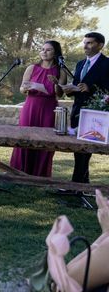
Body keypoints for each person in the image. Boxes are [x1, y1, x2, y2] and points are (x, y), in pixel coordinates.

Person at [10, 40, 67, 176]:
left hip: (49, 108)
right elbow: (22, 89)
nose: (44, 52)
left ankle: (40, 174)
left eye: (48, 50)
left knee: (46, 140)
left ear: (55, 53)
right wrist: (26, 88)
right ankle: (18, 172)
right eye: (42, 49)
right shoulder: (32, 68)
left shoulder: (61, 71)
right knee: (24, 137)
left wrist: (56, 84)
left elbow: (60, 94)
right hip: (31, 106)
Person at [63, 32, 109, 183]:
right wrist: (69, 90)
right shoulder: (80, 64)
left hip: (95, 113)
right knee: (78, 150)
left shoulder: (107, 64)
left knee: (86, 150)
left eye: (90, 43)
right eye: (85, 43)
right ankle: (82, 183)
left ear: (100, 45)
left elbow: (107, 90)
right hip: (77, 111)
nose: (85, 46)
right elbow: (78, 86)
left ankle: (76, 186)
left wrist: (90, 89)